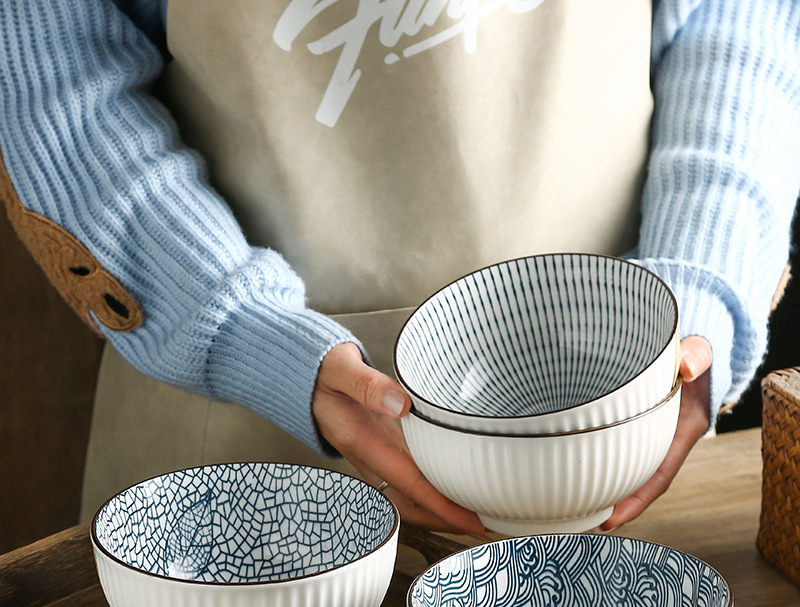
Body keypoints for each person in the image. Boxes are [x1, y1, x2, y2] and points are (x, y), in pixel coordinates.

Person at [1, 0, 798, 537]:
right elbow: (54, 82)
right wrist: (237, 329)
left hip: (621, 437)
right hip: (231, 470)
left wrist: (703, 278)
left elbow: (738, 24)